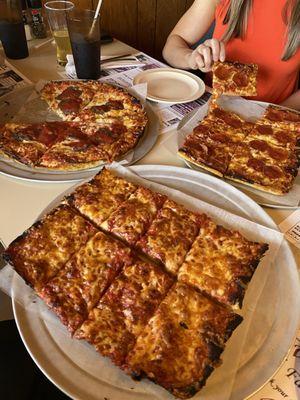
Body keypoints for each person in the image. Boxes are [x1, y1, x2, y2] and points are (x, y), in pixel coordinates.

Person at [163, 0, 300, 109]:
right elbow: (172, 45)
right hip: (210, 110)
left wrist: (272, 115)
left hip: (274, 121)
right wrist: (191, 58)